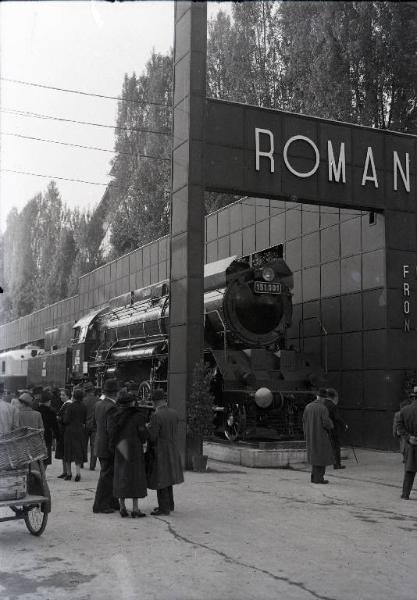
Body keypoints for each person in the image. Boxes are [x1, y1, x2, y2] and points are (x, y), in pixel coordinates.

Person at [107, 389, 149, 518]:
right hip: (134, 448)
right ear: (131, 403)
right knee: (135, 476)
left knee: (121, 475)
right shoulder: (138, 415)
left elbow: (110, 432)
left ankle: (122, 507)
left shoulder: (114, 415)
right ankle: (135, 508)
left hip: (121, 447)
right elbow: (143, 433)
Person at [146, 388, 184, 516]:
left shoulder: (156, 415)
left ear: (155, 402)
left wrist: (147, 428)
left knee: (161, 479)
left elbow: (152, 436)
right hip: (173, 448)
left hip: (161, 450)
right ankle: (170, 504)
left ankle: (164, 508)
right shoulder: (174, 413)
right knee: (169, 479)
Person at [92, 378, 120, 514]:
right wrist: (114, 447)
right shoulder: (112, 407)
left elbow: (95, 424)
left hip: (99, 444)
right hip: (108, 447)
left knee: (109, 474)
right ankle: (100, 505)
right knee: (106, 476)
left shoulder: (98, 404)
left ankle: (112, 502)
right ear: (116, 393)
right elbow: (112, 430)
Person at [303, 389, 334, 484]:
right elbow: (326, 423)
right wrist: (331, 425)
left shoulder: (308, 407)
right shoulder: (323, 408)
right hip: (321, 436)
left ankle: (314, 477)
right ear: (323, 398)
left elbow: (304, 421)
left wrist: (306, 433)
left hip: (310, 435)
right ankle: (319, 478)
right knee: (322, 456)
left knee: (314, 456)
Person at [63, 387, 87, 481]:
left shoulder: (70, 406)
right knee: (78, 451)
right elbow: (84, 419)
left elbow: (66, 420)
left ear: (74, 396)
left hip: (70, 430)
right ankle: (78, 473)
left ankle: (69, 474)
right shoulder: (84, 406)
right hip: (80, 430)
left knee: (68, 451)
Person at [397, 387, 417, 500]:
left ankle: (405, 494)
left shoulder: (404, 410)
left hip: (411, 445)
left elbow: (399, 427)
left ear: (413, 397)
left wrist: (408, 437)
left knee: (409, 470)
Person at [323, 388, 348, 469]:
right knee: (336, 446)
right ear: (333, 396)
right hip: (333, 428)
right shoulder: (333, 406)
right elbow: (337, 417)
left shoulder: (323, 404)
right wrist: (344, 424)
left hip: (323, 427)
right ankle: (337, 464)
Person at [38, 388, 59, 469]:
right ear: (48, 401)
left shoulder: (37, 410)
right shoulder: (52, 412)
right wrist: (58, 437)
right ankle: (43, 475)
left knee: (38, 457)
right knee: (46, 459)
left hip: (38, 437)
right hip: (47, 437)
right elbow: (55, 426)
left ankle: (39, 474)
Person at [55, 389, 72, 478]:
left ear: (68, 396)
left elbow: (66, 419)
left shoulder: (68, 405)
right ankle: (65, 471)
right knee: (63, 452)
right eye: (61, 395)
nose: (61, 396)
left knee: (65, 452)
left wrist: (58, 418)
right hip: (63, 431)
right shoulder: (65, 404)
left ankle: (67, 472)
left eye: (63, 395)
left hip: (65, 431)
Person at [83, 381, 98, 470]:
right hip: (95, 426)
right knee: (94, 446)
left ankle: (81, 463)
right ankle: (92, 465)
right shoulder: (98, 400)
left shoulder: (83, 400)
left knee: (83, 444)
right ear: (93, 390)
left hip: (84, 425)